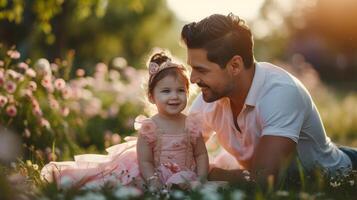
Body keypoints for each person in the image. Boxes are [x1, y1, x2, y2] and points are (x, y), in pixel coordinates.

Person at [180, 13, 357, 186]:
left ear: (235, 66)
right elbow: (178, 152)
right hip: (279, 176)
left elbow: (263, 180)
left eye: (201, 70)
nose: (193, 78)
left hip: (340, 171)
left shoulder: (281, 92)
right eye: (191, 68)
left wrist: (209, 171)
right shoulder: (211, 96)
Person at [40, 52, 209, 191]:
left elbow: (201, 154)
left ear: (188, 93)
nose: (174, 96)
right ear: (151, 97)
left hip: (185, 175)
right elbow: (146, 161)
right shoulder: (150, 127)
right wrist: (152, 179)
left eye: (180, 91)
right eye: (166, 91)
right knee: (120, 184)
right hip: (152, 173)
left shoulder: (191, 124)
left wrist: (200, 179)